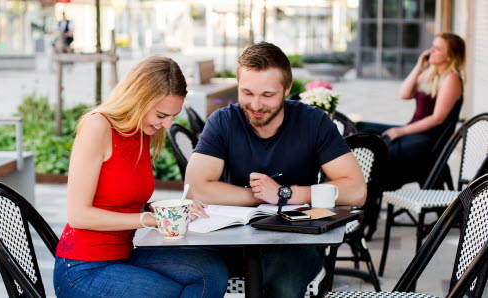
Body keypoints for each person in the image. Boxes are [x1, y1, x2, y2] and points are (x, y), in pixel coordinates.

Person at [185, 41, 366, 297]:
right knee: (184, 272)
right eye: (246, 92)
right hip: (232, 236)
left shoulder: (313, 121)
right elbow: (196, 189)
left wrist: (285, 194)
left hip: (295, 239)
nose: (256, 105)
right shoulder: (223, 121)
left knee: (282, 287)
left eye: (267, 95)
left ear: (287, 88)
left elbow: (356, 190)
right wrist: (259, 195)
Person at [53, 56, 229, 298]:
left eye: (172, 116)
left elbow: (124, 200)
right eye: (161, 115)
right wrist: (150, 219)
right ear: (138, 100)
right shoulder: (98, 126)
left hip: (123, 255)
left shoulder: (141, 132)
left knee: (212, 270)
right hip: (83, 268)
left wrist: (170, 210)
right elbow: (78, 216)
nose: (167, 125)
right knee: (173, 293)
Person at [356, 33, 465, 190]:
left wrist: (402, 131)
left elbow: (437, 118)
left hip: (429, 139)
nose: (431, 51)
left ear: (449, 56)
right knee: (362, 129)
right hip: (414, 132)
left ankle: (370, 193)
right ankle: (364, 186)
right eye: (432, 46)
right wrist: (419, 68)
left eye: (438, 48)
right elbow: (404, 94)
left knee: (381, 146)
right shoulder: (430, 74)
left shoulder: (451, 79)